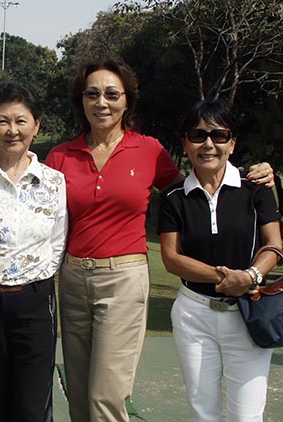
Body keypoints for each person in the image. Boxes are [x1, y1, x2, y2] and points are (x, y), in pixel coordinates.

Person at [44, 59, 276, 422]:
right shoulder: (61, 155)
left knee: (107, 396)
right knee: (78, 392)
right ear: (82, 100)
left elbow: (199, 183)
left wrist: (251, 175)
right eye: (92, 94)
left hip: (123, 279)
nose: (101, 102)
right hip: (72, 280)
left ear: (126, 101)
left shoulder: (148, 150)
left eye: (111, 94)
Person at [159, 100, 281, 421]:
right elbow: (171, 258)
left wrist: (251, 276)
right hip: (194, 315)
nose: (208, 144)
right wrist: (226, 277)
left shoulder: (255, 189)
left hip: (247, 314)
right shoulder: (174, 197)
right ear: (185, 144)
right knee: (203, 414)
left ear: (232, 142)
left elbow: (275, 245)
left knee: (247, 416)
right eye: (198, 135)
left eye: (219, 135)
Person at [0, 82, 67, 422]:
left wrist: (30, 277)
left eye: (21, 121)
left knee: (32, 407)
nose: (12, 130)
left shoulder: (53, 182)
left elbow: (57, 242)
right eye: (2, 121)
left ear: (36, 125)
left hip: (35, 303)